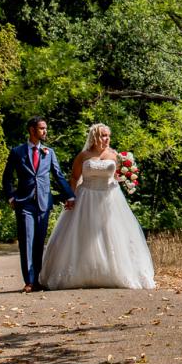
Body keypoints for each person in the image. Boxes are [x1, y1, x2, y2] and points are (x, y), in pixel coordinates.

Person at [38, 122, 156, 290]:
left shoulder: (116, 156)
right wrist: (71, 197)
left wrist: (127, 178)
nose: (106, 139)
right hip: (85, 197)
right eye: (103, 135)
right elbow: (74, 177)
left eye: (108, 135)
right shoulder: (83, 155)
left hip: (109, 198)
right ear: (94, 136)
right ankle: (83, 272)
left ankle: (111, 273)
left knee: (111, 234)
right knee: (84, 235)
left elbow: (118, 176)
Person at [0, 117, 76, 293]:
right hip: (24, 203)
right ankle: (29, 281)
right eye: (42, 129)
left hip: (43, 202)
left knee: (39, 242)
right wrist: (11, 197)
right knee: (27, 240)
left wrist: (70, 196)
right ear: (32, 130)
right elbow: (7, 177)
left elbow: (59, 176)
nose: (45, 132)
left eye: (45, 129)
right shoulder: (17, 152)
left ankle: (38, 280)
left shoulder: (49, 152)